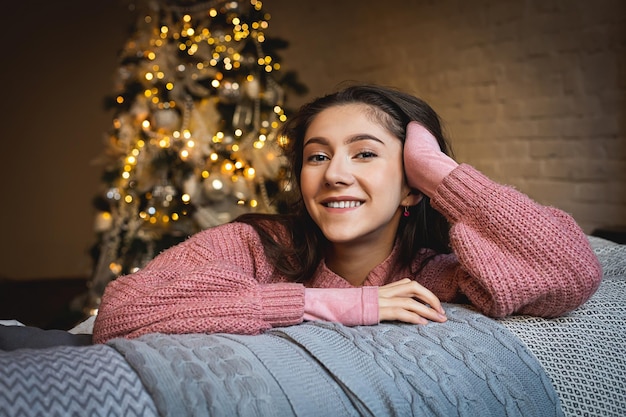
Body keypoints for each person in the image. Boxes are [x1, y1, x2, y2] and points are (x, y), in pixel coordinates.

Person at [92, 84, 602, 344]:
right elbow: (121, 312)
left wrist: (443, 175)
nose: (334, 174)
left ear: (411, 188)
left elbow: (570, 272)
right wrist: (344, 306)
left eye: (364, 154)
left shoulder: (431, 275)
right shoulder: (258, 243)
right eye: (317, 156)